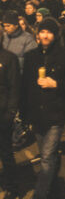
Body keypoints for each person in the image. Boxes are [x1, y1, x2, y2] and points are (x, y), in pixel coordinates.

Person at [20, 17, 65, 199]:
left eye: (49, 32)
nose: (45, 36)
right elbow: (25, 87)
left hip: (56, 114)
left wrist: (56, 84)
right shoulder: (31, 56)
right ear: (37, 35)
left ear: (55, 35)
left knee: (46, 156)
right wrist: (24, 115)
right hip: (37, 115)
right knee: (49, 156)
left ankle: (40, 194)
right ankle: (53, 187)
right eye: (42, 32)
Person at [0, 40, 20, 199]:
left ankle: (12, 187)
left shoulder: (9, 58)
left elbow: (14, 87)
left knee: (5, 151)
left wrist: (11, 112)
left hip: (3, 114)